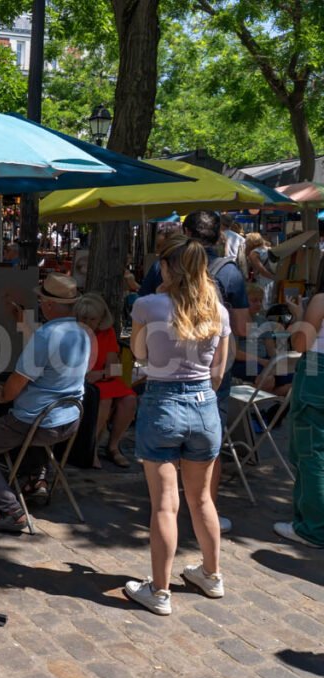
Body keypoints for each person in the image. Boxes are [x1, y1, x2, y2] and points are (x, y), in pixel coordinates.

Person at [124, 233, 232, 615]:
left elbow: (138, 353)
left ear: (168, 268)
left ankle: (159, 590)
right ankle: (212, 574)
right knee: (202, 498)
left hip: (163, 402)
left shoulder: (147, 304)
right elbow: (219, 371)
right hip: (205, 405)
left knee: (165, 506)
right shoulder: (218, 311)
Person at [139, 211, 250, 535]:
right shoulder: (230, 274)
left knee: (165, 441)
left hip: (163, 374)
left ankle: (166, 508)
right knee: (205, 447)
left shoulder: (160, 268)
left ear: (185, 231)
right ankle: (204, 509)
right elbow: (242, 325)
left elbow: (143, 311)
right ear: (219, 237)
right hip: (210, 374)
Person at [0, 273, 93, 532]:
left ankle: (10, 508)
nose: (40, 304)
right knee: (21, 422)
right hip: (69, 419)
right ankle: (35, 479)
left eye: (42, 299)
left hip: (38, 423)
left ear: (50, 305)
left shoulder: (45, 336)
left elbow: (12, 389)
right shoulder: (83, 333)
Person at [275, 283, 324, 548]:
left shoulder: (320, 300)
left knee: (310, 453)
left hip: (317, 375)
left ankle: (312, 528)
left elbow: (300, 344)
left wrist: (298, 315)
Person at [75, 293, 136, 468]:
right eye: (84, 318)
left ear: (101, 318)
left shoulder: (106, 333)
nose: (87, 322)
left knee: (130, 399)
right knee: (104, 399)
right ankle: (91, 448)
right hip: (82, 380)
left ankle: (113, 446)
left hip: (102, 377)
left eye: (92, 319)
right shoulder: (73, 331)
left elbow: (115, 369)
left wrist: (100, 374)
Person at [246, 232, 276, 305]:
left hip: (263, 281)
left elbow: (261, 270)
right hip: (273, 281)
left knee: (264, 304)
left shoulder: (254, 253)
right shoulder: (270, 249)